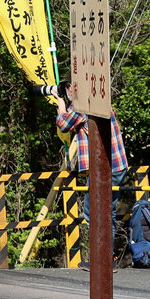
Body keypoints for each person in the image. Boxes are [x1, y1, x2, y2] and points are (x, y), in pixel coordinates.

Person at [54, 82, 129, 256]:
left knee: (93, 211)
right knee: (106, 211)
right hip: (116, 166)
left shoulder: (83, 105)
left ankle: (101, 259)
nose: (68, 91)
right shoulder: (97, 99)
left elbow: (63, 124)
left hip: (105, 168)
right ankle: (107, 257)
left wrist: (61, 104)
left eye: (69, 87)